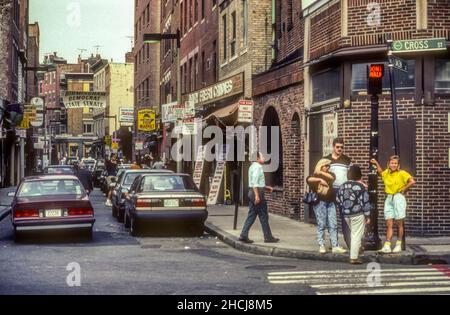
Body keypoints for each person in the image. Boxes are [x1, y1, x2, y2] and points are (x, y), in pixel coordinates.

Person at [371, 156, 416, 253]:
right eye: (392, 163)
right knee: (389, 223)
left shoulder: (402, 173)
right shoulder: (386, 173)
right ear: (389, 164)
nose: (394, 165)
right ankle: (387, 245)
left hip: (398, 197)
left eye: (395, 163)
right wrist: (376, 163)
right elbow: (380, 172)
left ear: (398, 165)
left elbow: (412, 181)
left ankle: (398, 244)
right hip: (389, 198)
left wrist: (404, 189)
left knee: (399, 223)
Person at [307, 159, 347, 254]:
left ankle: (335, 245)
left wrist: (321, 173)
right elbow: (308, 179)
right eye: (325, 165)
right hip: (320, 203)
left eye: (328, 166)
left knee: (333, 224)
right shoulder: (315, 175)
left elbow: (332, 177)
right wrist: (320, 179)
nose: (327, 167)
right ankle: (321, 245)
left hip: (331, 202)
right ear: (320, 165)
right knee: (321, 224)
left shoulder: (329, 175)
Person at [239, 152, 279, 244]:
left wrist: (265, 187)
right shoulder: (258, 167)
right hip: (257, 194)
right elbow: (255, 182)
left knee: (253, 215)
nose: (264, 158)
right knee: (263, 215)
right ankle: (268, 237)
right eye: (262, 156)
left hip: (252, 193)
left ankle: (244, 235)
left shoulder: (252, 166)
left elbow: (255, 181)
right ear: (257, 159)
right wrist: (257, 195)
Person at [336, 165, 372, 264]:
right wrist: (368, 215)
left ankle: (357, 249)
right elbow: (365, 202)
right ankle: (354, 257)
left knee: (354, 233)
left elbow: (338, 199)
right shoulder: (360, 187)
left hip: (346, 214)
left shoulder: (342, 186)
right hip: (357, 213)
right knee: (356, 235)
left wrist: (344, 208)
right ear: (359, 175)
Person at [324, 137, 352, 248]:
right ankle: (334, 243)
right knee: (332, 218)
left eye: (341, 147)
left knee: (345, 217)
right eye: (338, 147)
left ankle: (350, 243)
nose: (340, 149)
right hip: (331, 191)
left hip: (344, 191)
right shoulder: (326, 159)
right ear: (333, 147)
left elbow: (351, 175)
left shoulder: (347, 160)